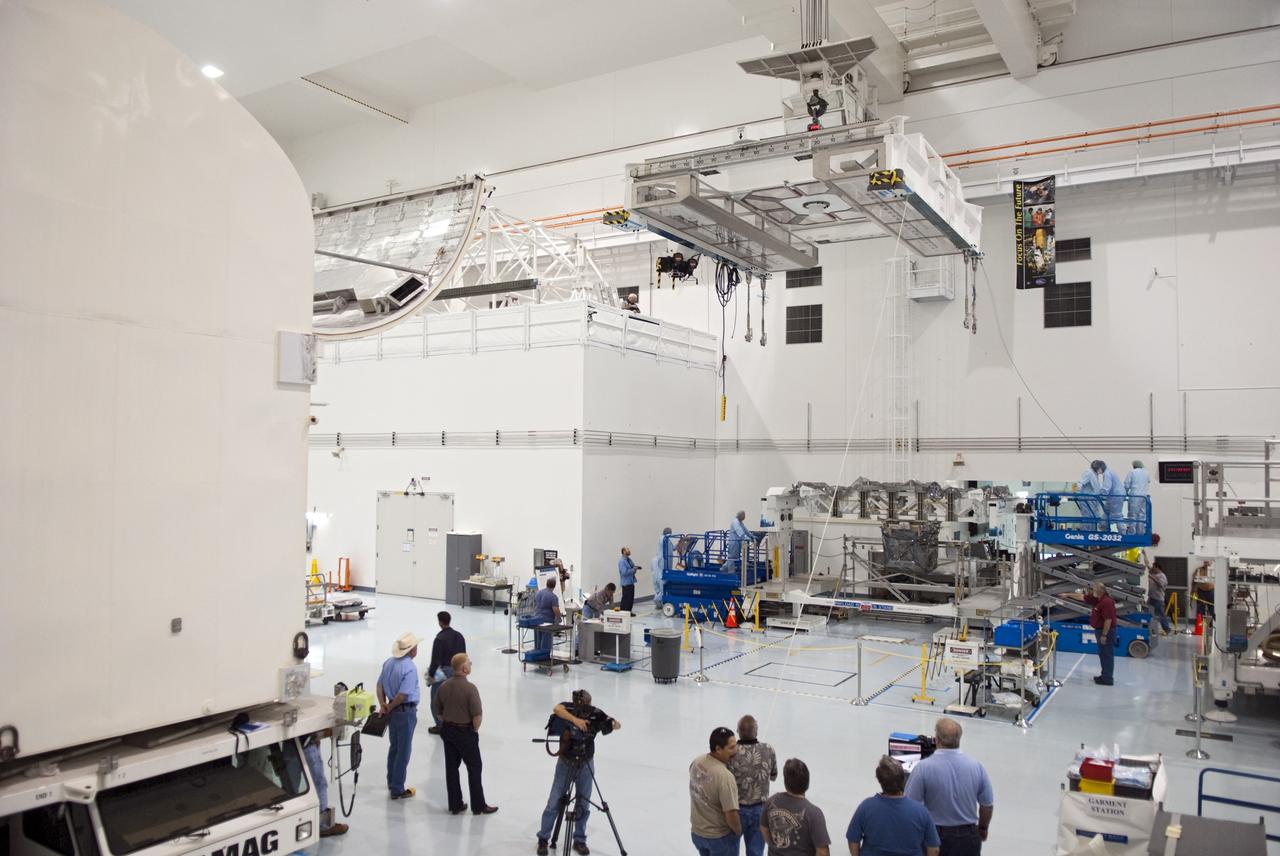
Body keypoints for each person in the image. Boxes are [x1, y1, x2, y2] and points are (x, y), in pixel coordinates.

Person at [535, 689, 622, 855]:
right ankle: (543, 839)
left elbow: (617, 725)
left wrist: (611, 723)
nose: (581, 709)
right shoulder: (568, 709)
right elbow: (556, 709)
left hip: (585, 765)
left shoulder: (596, 714)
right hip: (565, 763)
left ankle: (579, 839)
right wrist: (575, 720)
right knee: (554, 801)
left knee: (583, 804)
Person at [903, 719, 994, 856]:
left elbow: (910, 806)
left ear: (936, 739)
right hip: (968, 838)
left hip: (934, 838)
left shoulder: (923, 768)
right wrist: (982, 827)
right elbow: (987, 804)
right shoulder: (976, 766)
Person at [431, 653, 497, 816]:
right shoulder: (470, 688)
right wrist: (472, 730)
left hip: (448, 730)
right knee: (474, 768)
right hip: (465, 731)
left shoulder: (444, 686)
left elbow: (437, 710)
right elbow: (477, 716)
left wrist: (448, 720)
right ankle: (478, 805)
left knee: (451, 768)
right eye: (469, 663)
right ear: (464, 668)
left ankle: (455, 804)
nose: (471, 665)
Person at [848, 755, 939, 856]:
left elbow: (853, 839)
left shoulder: (865, 808)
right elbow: (934, 848)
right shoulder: (921, 812)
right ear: (903, 779)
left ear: (879, 781)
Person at [376, 632, 422, 800]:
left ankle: (391, 781)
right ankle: (397, 788)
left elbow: (379, 686)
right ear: (411, 650)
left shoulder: (388, 663)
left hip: (392, 713)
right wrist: (391, 705)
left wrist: (384, 705)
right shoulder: (409, 667)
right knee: (404, 750)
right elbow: (403, 695)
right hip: (405, 711)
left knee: (394, 747)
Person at [727, 715, 777, 856]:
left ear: (738, 731)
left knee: (730, 850)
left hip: (735, 809)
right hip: (760, 811)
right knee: (755, 852)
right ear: (756, 730)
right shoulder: (768, 750)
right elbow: (773, 776)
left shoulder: (731, 752)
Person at [761, 758, 831, 856]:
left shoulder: (771, 802)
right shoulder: (814, 813)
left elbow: (764, 829)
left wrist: (775, 846)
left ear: (785, 782)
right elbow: (823, 852)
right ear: (808, 781)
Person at [690, 726, 743, 856]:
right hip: (719, 839)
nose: (736, 751)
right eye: (731, 748)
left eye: (735, 745)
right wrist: (738, 831)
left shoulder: (697, 762)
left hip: (697, 834)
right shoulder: (724, 776)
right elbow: (731, 815)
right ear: (718, 749)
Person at [426, 611, 466, 736]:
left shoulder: (439, 639)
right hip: (457, 670)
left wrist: (431, 676)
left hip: (443, 672)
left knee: (436, 700)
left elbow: (435, 660)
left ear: (440, 622)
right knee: (455, 699)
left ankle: (440, 725)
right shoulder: (459, 636)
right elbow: (463, 655)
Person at [301, 733, 350, 837]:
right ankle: (323, 826)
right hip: (307, 743)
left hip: (290, 744)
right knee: (319, 784)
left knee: (291, 784)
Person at [531, 577, 563, 660]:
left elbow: (535, 604)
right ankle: (544, 657)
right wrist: (559, 618)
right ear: (554, 586)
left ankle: (537, 655)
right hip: (547, 621)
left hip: (536, 619)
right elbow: (555, 609)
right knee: (546, 640)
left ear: (546, 584)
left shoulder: (538, 593)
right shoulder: (553, 597)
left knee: (538, 638)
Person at [1124, 461, 1151, 534]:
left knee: (1132, 514)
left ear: (1134, 466)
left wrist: (1125, 493)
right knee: (1141, 515)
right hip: (1144, 496)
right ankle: (1140, 532)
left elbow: (1126, 485)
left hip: (1135, 495)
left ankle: (1131, 532)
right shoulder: (1146, 473)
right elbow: (1148, 481)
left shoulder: (1132, 472)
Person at [1148, 562, 1173, 635]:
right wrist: (1144, 554)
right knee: (1148, 613)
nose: (1152, 568)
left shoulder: (1162, 576)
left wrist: (1152, 578)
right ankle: (1149, 628)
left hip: (1158, 599)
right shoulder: (1154, 573)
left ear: (1157, 567)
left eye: (1153, 566)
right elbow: (1147, 564)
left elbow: (1161, 585)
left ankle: (1167, 629)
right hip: (1151, 598)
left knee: (1161, 615)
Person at [653, 527, 672, 609]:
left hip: (667, 567)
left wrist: (679, 545)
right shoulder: (663, 539)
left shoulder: (668, 540)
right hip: (662, 567)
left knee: (665, 585)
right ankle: (657, 601)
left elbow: (671, 549)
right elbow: (663, 543)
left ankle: (661, 601)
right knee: (662, 585)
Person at [618, 547, 639, 613]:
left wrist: (635, 568)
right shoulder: (622, 561)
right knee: (626, 598)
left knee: (630, 598)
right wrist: (633, 570)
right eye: (627, 550)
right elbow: (624, 572)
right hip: (626, 583)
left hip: (631, 582)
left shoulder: (629, 559)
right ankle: (624, 612)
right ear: (624, 551)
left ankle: (629, 612)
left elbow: (633, 566)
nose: (629, 551)